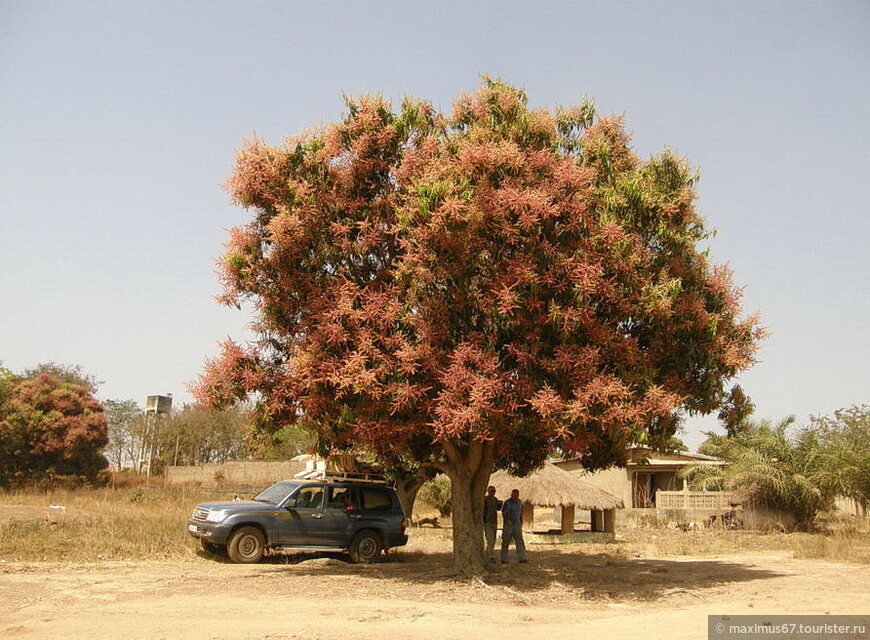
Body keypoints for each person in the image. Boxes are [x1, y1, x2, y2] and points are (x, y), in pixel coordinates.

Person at [500, 488, 527, 564]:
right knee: (505, 541)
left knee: (519, 541)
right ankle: (504, 559)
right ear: (511, 494)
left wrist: (521, 522)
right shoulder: (507, 503)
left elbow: (521, 513)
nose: (515, 496)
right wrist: (507, 520)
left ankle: (522, 558)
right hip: (508, 524)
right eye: (513, 494)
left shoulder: (520, 503)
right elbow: (503, 513)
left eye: (516, 494)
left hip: (517, 524)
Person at [482, 486, 502, 561]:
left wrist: (500, 504)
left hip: (494, 522)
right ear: (488, 491)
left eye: (494, 491)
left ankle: (489, 554)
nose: (492, 492)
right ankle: (490, 555)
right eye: (491, 491)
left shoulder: (495, 499)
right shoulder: (485, 500)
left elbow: (498, 508)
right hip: (487, 522)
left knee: (493, 540)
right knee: (490, 539)